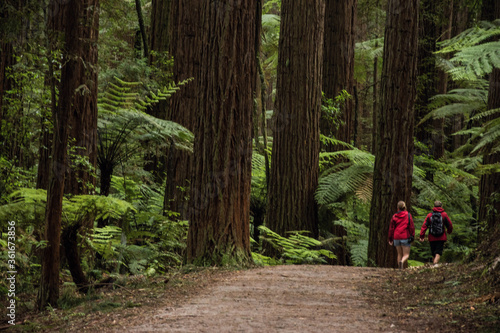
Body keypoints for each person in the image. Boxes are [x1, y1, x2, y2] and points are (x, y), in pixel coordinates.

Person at [419, 201, 453, 265]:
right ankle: (435, 265)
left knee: (433, 253)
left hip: (432, 237)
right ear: (441, 206)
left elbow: (424, 226)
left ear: (434, 206)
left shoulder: (430, 215)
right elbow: (449, 224)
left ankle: (434, 265)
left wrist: (421, 236)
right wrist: (449, 231)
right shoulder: (444, 214)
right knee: (438, 252)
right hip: (441, 237)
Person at [388, 201, 415, 269]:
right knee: (406, 255)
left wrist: (390, 238)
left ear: (397, 207)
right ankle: (402, 262)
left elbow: (391, 228)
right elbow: (411, 226)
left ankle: (400, 269)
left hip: (396, 237)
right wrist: (412, 235)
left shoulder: (394, 216)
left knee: (399, 254)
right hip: (405, 236)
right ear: (404, 207)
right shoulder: (408, 215)